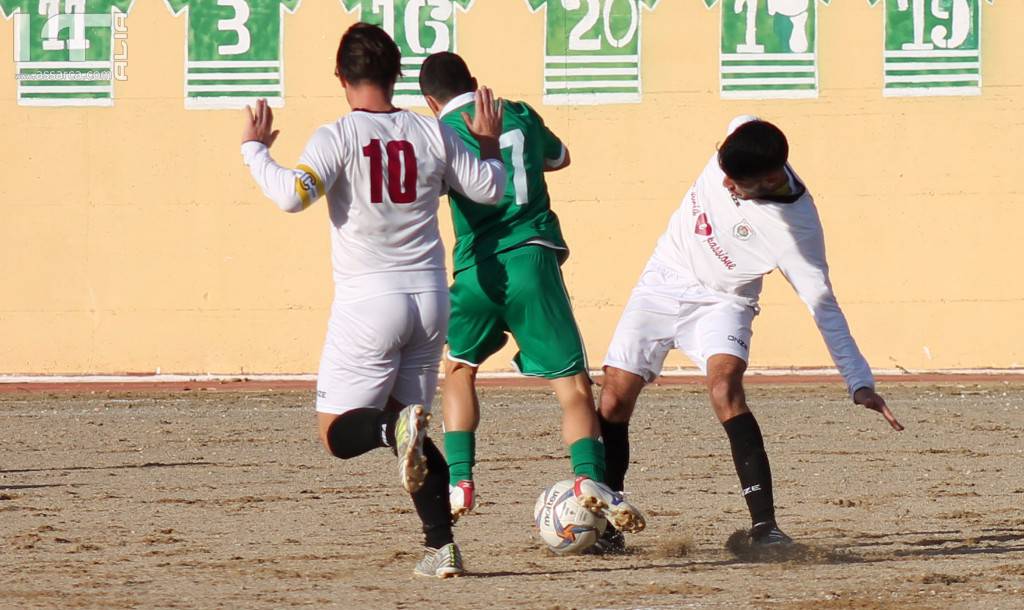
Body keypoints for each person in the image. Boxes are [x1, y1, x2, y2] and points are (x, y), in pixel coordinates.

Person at [238, 24, 508, 577]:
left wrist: (253, 151)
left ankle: (391, 434)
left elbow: (292, 196)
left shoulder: (337, 136)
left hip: (370, 301)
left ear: (341, 77)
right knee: (411, 424)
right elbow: (489, 189)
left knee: (340, 433)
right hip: (430, 299)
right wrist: (486, 141)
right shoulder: (432, 131)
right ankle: (442, 547)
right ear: (398, 74)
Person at [597, 116, 904, 552]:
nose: (725, 187)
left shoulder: (797, 231)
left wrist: (859, 381)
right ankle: (608, 518)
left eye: (737, 185)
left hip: (725, 301)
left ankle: (765, 527)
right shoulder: (742, 137)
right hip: (663, 279)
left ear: (770, 179)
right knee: (613, 396)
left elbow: (824, 306)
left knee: (725, 388)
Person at [417, 52, 645, 535]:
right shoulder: (516, 111)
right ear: (474, 81)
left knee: (459, 369)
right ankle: (587, 479)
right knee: (573, 387)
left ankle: (460, 481)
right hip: (532, 258)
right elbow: (559, 157)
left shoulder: (437, 132)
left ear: (429, 101)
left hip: (476, 267)